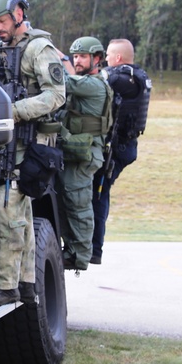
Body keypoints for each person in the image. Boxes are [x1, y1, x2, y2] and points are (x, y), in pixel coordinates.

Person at [0, 0, 65, 306]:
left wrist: (14, 111)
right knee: (21, 214)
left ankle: (6, 287)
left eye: (0, 21)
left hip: (29, 143)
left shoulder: (39, 48)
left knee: (7, 210)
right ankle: (26, 283)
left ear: (17, 15)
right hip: (6, 143)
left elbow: (56, 95)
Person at [91, 38, 151, 264]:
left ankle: (95, 249)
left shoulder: (125, 80)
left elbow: (97, 81)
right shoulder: (135, 76)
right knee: (99, 194)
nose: (105, 59)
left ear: (117, 58)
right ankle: (94, 247)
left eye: (107, 55)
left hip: (117, 150)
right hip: (122, 147)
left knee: (98, 196)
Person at [58, 37, 111, 271]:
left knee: (78, 203)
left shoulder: (94, 85)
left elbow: (65, 83)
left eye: (82, 56)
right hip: (80, 151)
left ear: (96, 59)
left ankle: (79, 255)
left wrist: (54, 61)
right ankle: (72, 250)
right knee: (70, 200)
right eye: (74, 56)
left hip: (86, 154)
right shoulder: (88, 81)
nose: (77, 60)